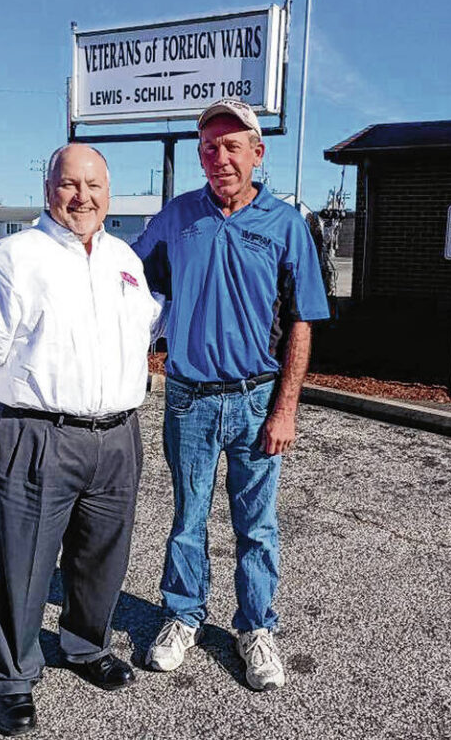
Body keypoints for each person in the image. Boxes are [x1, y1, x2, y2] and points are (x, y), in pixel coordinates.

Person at [0, 143, 160, 735]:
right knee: (25, 561)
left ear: (109, 193)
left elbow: (147, 321)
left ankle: (84, 644)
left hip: (118, 435)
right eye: (70, 184)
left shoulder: (124, 259)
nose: (82, 196)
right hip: (38, 433)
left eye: (94, 185)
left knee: (102, 555)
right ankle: (11, 677)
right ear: (49, 190)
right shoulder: (14, 257)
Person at [132, 98, 330, 691]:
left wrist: (286, 409)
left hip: (255, 400)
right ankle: (183, 616)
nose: (219, 157)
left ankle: (255, 628)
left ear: (257, 153)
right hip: (188, 398)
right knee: (187, 518)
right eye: (209, 148)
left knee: (257, 524)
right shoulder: (176, 219)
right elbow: (127, 284)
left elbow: (302, 320)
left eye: (232, 146)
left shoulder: (285, 225)